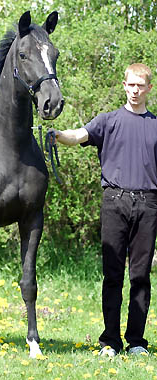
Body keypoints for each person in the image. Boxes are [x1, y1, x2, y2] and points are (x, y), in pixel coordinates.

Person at [52, 63, 157, 356]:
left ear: (149, 88)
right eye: (131, 85)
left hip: (148, 205)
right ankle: (110, 342)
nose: (135, 90)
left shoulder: (155, 126)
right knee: (112, 276)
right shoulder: (108, 121)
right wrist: (57, 134)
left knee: (140, 277)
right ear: (124, 86)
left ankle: (136, 342)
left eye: (141, 85)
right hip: (114, 202)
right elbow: (78, 136)